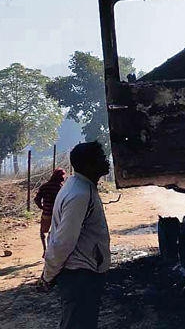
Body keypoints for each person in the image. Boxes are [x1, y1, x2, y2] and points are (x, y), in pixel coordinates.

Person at [38, 141, 111, 329]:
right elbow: (63, 241)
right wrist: (48, 275)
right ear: (88, 165)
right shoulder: (79, 194)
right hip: (79, 276)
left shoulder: (80, 186)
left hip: (82, 274)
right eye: (101, 157)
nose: (106, 161)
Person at [34, 168, 66, 256]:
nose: (64, 178)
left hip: (47, 213)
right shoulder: (62, 188)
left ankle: (45, 250)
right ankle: (55, 251)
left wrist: (42, 207)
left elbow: (37, 199)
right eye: (63, 176)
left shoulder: (44, 186)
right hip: (59, 215)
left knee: (42, 232)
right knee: (57, 233)